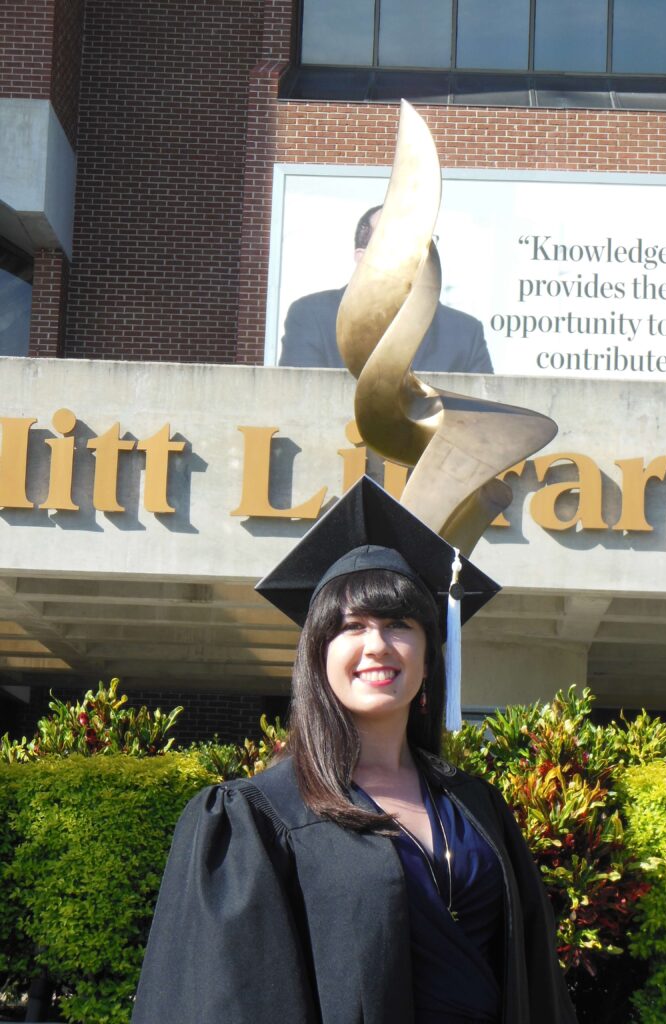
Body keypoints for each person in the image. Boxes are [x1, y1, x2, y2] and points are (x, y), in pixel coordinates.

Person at [132, 478, 576, 1024]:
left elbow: (532, 981)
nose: (377, 645)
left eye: (398, 625)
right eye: (351, 627)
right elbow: (234, 1000)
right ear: (317, 656)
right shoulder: (255, 818)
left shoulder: (476, 805)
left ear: (429, 655)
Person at [279, 205, 494, 373]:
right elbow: (302, 399)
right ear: (361, 257)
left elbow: (483, 417)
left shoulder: (464, 332)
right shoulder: (312, 316)